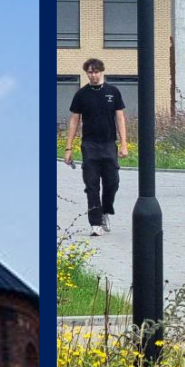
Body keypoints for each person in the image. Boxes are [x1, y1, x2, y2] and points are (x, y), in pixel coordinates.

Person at [64, 57, 128, 236]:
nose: (93, 75)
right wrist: (68, 148)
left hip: (109, 144)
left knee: (112, 182)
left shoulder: (113, 92)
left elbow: (120, 118)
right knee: (91, 185)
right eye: (90, 72)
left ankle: (106, 210)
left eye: (96, 72)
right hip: (89, 145)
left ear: (102, 72)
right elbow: (74, 120)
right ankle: (95, 222)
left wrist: (124, 144)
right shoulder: (81, 94)